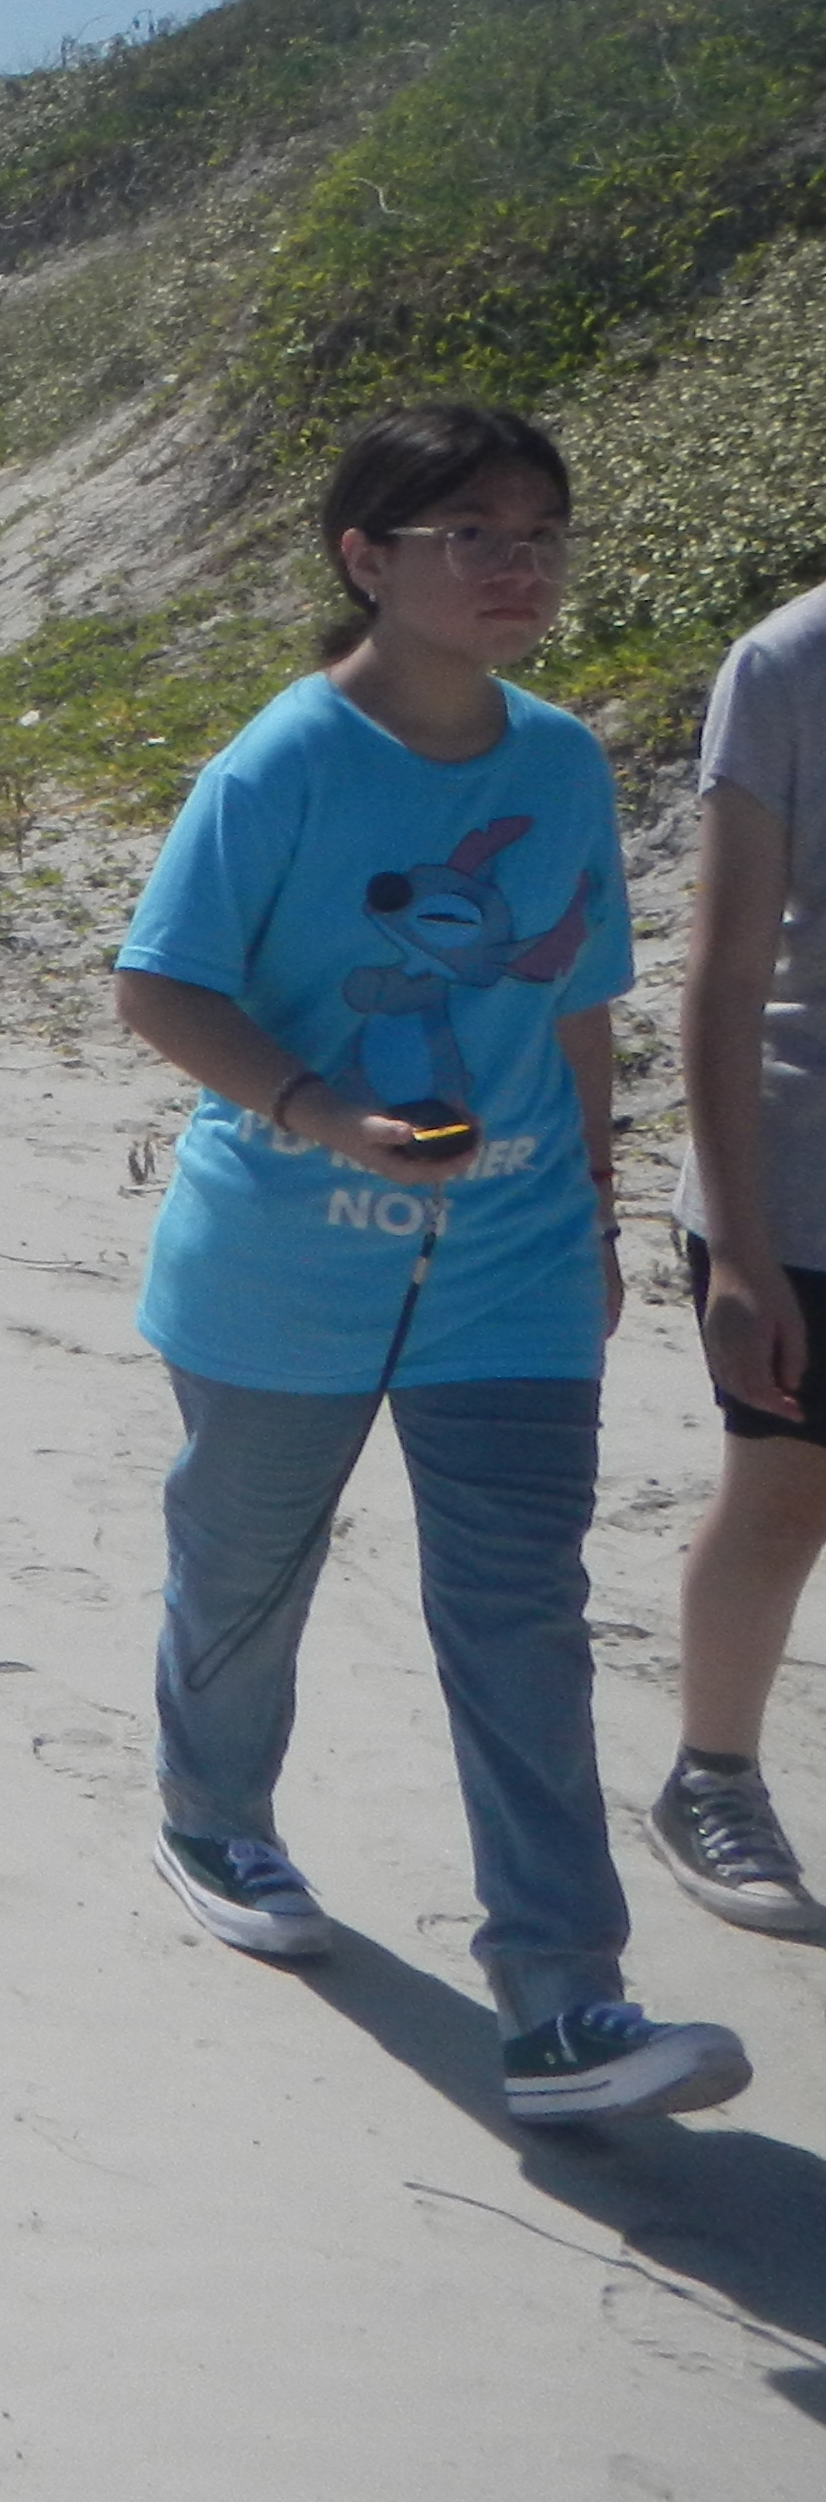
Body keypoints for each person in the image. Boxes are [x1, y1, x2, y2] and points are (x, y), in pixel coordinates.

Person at [110, 402, 749, 2123]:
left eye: (539, 534)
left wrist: (594, 1217)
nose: (516, 567)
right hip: (282, 1264)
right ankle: (213, 1820)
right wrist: (323, 1112)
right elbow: (158, 982)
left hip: (510, 1268)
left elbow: (576, 1003)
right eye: (471, 534)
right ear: (366, 559)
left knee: (522, 1617)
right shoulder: (282, 764)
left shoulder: (558, 762)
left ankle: (564, 1999)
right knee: (247, 1576)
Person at [659, 582, 826, 1935]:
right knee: (782, 1502)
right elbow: (723, 973)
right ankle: (710, 1777)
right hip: (801, 1180)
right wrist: (735, 1248)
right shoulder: (788, 664)